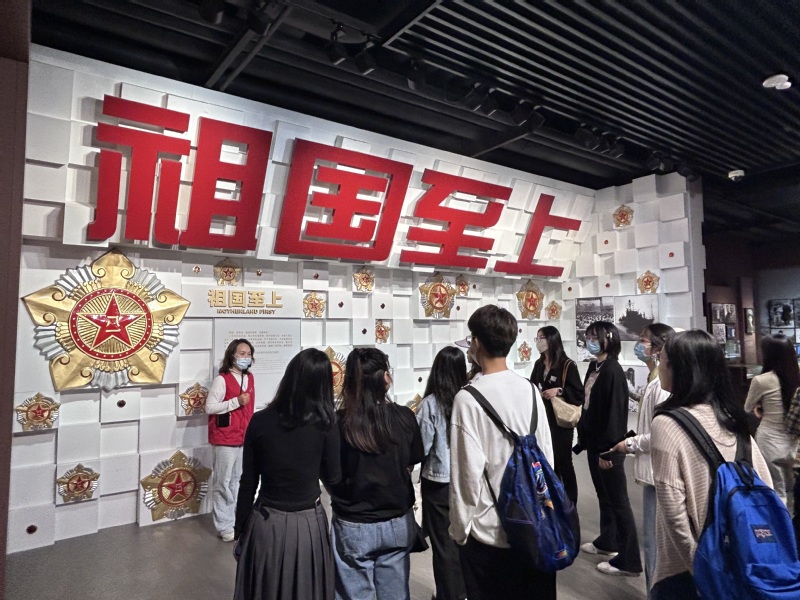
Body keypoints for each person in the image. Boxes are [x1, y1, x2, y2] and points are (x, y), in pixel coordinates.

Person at [650, 330, 772, 598]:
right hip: (742, 557)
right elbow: (766, 486)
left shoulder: (666, 423)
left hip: (688, 569)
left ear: (680, 369)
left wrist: (702, 570)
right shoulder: (730, 417)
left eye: (662, 359)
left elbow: (674, 511)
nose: (658, 365)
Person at [449, 305, 555, 600]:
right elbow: (546, 456)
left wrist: (459, 530)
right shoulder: (530, 389)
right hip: (534, 526)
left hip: (489, 532)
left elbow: (466, 476)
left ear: (477, 342)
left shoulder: (467, 398)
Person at [233, 348, 341, 600]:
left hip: (265, 522)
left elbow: (248, 483)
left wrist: (240, 531)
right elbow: (334, 478)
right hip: (308, 524)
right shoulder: (326, 424)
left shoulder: (259, 421)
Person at [329, 348, 424, 600]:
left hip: (353, 523)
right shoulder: (404, 417)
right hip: (397, 522)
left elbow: (331, 474)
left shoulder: (339, 422)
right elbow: (411, 463)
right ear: (385, 378)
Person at [607, 323, 674, 596]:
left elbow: (660, 431)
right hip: (653, 471)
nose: (638, 344)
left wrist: (630, 444)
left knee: (655, 543)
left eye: (644, 340)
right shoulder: (653, 381)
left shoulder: (662, 385)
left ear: (658, 348)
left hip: (659, 473)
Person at [578, 321, 642, 577]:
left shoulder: (613, 370)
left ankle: (629, 559)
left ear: (609, 338)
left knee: (619, 501)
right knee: (604, 496)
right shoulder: (595, 367)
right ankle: (608, 540)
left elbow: (615, 413)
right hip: (595, 443)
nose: (590, 341)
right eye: (588, 337)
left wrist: (609, 451)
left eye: (595, 337)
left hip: (608, 447)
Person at [416, 346, 469, 600]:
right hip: (468, 480)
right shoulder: (469, 399)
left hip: (438, 483)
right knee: (465, 540)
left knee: (443, 544)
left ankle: (448, 595)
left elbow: (421, 447)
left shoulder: (430, 404)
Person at [206, 338, 256, 542]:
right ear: (232, 355)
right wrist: (235, 402)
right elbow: (210, 407)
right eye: (242, 353)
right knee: (223, 482)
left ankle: (237, 520)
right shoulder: (222, 379)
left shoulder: (250, 378)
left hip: (244, 438)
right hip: (225, 438)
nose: (246, 357)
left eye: (248, 354)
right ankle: (225, 525)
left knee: (238, 480)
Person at [744, 333, 800, 513]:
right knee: (792, 490)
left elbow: (747, 407)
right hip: (793, 444)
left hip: (769, 441)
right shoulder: (796, 376)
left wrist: (758, 409)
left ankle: (778, 524)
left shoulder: (761, 380)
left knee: (775, 489)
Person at [530, 325, 583, 504]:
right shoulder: (539, 364)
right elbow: (533, 385)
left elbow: (578, 394)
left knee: (564, 462)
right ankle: (554, 501)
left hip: (561, 422)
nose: (539, 342)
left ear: (552, 340)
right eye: (537, 338)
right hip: (543, 420)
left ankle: (570, 503)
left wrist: (559, 391)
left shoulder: (567, 365)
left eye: (542, 338)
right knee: (547, 462)